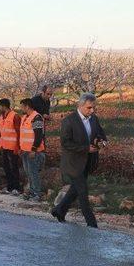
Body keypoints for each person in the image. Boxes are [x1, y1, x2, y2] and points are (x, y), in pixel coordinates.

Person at [51, 93, 107, 228]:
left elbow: (101, 134)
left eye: (94, 108)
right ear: (80, 106)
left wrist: (102, 143)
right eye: (89, 108)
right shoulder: (69, 121)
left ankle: (58, 210)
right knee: (83, 192)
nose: (92, 110)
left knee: (75, 190)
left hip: (88, 162)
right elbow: (65, 143)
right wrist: (85, 148)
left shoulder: (94, 119)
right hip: (73, 163)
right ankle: (92, 224)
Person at [19, 98, 46, 201]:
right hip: (25, 151)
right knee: (29, 173)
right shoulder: (25, 117)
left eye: (22, 106)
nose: (21, 108)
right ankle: (31, 190)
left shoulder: (37, 117)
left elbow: (38, 135)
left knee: (33, 173)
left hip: (33, 152)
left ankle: (37, 193)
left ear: (27, 106)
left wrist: (33, 149)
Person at [0, 99, 21, 195]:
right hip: (5, 146)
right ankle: (10, 186)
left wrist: (17, 146)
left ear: (4, 106)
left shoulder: (14, 116)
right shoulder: (2, 117)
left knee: (14, 167)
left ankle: (17, 188)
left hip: (13, 147)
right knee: (6, 167)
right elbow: (1, 132)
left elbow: (19, 133)